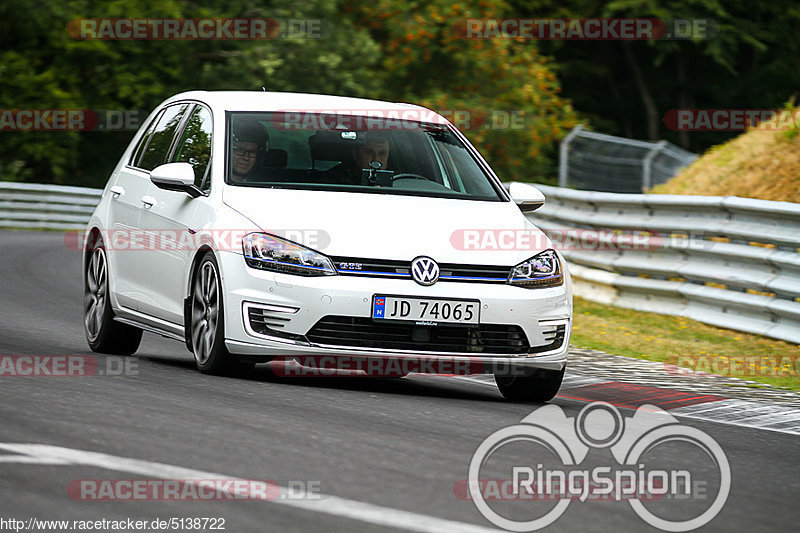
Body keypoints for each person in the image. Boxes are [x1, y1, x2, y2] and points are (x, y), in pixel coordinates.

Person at [326, 131, 391, 185]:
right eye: (369, 152)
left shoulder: (398, 182)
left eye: (383, 153)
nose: (376, 160)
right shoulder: (332, 182)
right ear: (355, 154)